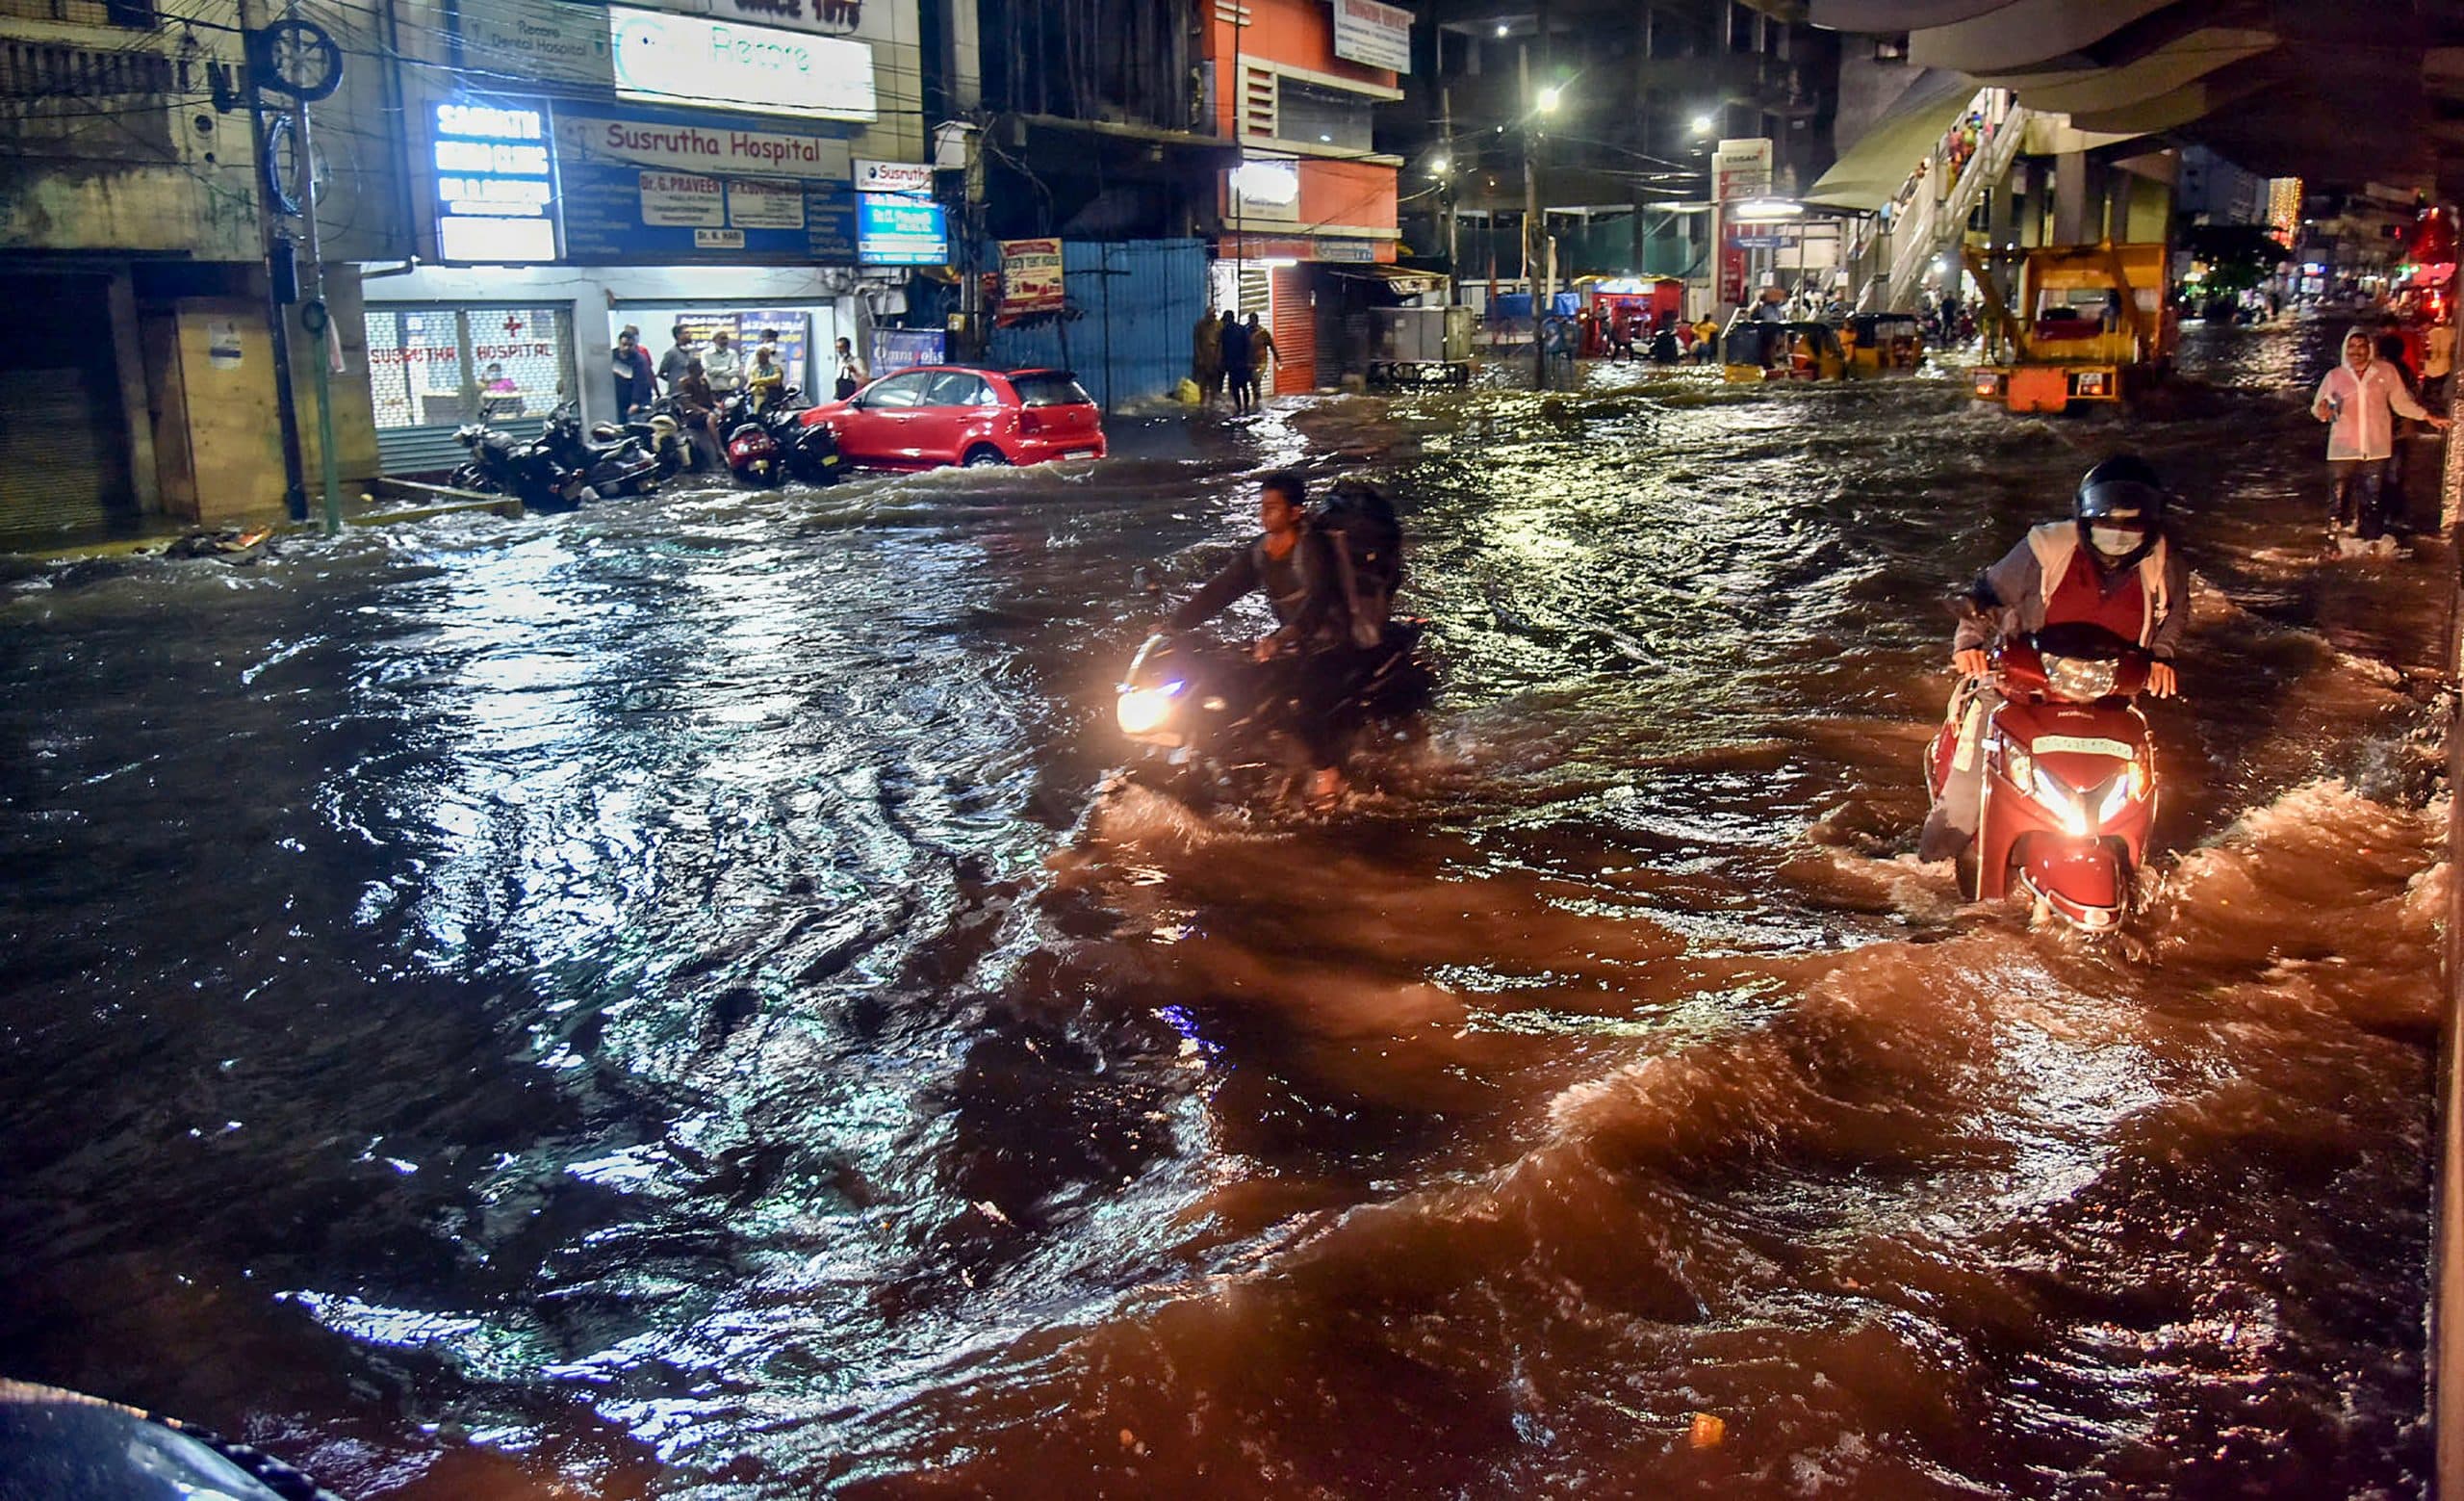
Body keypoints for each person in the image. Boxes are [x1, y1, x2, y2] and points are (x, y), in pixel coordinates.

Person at [1917, 454, 2190, 863]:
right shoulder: (2045, 547)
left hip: (2109, 690)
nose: (2117, 538)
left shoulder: (2163, 563)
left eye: (2129, 531)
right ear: (2084, 520)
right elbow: (1988, 593)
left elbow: (2175, 614)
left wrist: (2163, 658)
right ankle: (1942, 849)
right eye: (2106, 528)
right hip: (2024, 681)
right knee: (1975, 761)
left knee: (2140, 777)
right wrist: (1969, 645)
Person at [1165, 470, 1357, 801]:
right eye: (1262, 507)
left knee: (1297, 700)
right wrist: (1177, 623)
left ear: (1295, 512)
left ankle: (1329, 774)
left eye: (1272, 507)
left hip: (1332, 640)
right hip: (1293, 642)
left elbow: (1318, 599)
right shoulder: (1261, 551)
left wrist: (1282, 638)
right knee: (1229, 680)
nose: (1264, 514)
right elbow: (1222, 589)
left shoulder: (1313, 548)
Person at [2312, 324, 2450, 544]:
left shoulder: (2386, 372)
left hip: (2376, 447)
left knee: (2373, 500)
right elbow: (2320, 406)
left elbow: (2401, 403)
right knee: (2338, 499)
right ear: (2345, 349)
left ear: (2370, 348)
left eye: (2361, 346)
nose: (2356, 351)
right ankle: (2335, 542)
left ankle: (2370, 542)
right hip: (2343, 448)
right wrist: (2322, 411)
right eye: (2351, 346)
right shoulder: (2334, 377)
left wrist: (2427, 417)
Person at [671, 358, 724, 468]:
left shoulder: (704, 381)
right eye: (698, 368)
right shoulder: (684, 383)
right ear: (692, 370)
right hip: (694, 413)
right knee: (711, 418)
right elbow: (687, 403)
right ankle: (719, 449)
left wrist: (717, 404)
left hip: (708, 408)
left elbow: (710, 398)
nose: (701, 370)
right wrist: (701, 410)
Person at [612, 326, 654, 416]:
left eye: (630, 345)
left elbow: (640, 383)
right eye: (624, 344)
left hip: (632, 400)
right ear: (619, 343)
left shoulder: (639, 360)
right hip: (616, 400)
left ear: (634, 345)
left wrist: (635, 403)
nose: (627, 348)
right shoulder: (611, 357)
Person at [1219, 309, 1254, 416]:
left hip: (1232, 364)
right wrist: (1248, 361)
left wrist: (1224, 363)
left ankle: (1239, 408)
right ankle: (1246, 408)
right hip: (1242, 363)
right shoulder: (1242, 329)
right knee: (1244, 387)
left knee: (1235, 388)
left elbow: (1223, 349)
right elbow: (1248, 346)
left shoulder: (1224, 332)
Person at [1244, 312, 1277, 404]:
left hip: (1261, 362)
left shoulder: (1263, 332)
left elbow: (1272, 346)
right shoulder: (1245, 331)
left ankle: (1257, 401)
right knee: (1253, 382)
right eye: (1251, 320)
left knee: (1256, 380)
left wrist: (1278, 359)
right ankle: (1256, 401)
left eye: (1254, 321)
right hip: (1249, 362)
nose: (1252, 323)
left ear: (1257, 321)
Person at [1193, 308, 1223, 406]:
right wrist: (1199, 357)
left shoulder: (1219, 325)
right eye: (1210, 315)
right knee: (1203, 383)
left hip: (1214, 356)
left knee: (1214, 383)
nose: (1212, 318)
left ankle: (1212, 403)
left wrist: (1219, 357)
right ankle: (1203, 403)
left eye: (1214, 315)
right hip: (1204, 356)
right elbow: (1196, 342)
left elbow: (1221, 343)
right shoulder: (1200, 325)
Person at [656, 323, 697, 394]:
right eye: (686, 332)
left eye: (690, 332)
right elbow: (661, 373)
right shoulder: (671, 353)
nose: (690, 334)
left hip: (692, 392)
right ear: (678, 335)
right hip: (677, 393)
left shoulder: (692, 351)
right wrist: (675, 382)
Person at [703, 328, 743, 397]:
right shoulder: (706, 353)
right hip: (711, 390)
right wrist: (726, 368)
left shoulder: (732, 353)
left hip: (728, 390)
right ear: (714, 340)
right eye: (722, 338)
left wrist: (715, 373)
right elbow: (709, 371)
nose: (725, 341)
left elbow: (735, 371)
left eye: (726, 338)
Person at [747, 345, 785, 412]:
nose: (759, 358)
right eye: (758, 356)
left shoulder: (775, 368)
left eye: (762, 356)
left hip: (772, 395)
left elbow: (776, 380)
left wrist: (757, 381)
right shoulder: (754, 369)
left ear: (767, 357)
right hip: (756, 395)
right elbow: (751, 380)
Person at [834, 336, 867, 401]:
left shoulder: (856, 361)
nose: (839, 351)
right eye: (837, 348)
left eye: (841, 348)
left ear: (847, 348)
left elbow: (865, 380)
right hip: (840, 397)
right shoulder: (840, 362)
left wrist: (854, 371)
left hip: (852, 397)